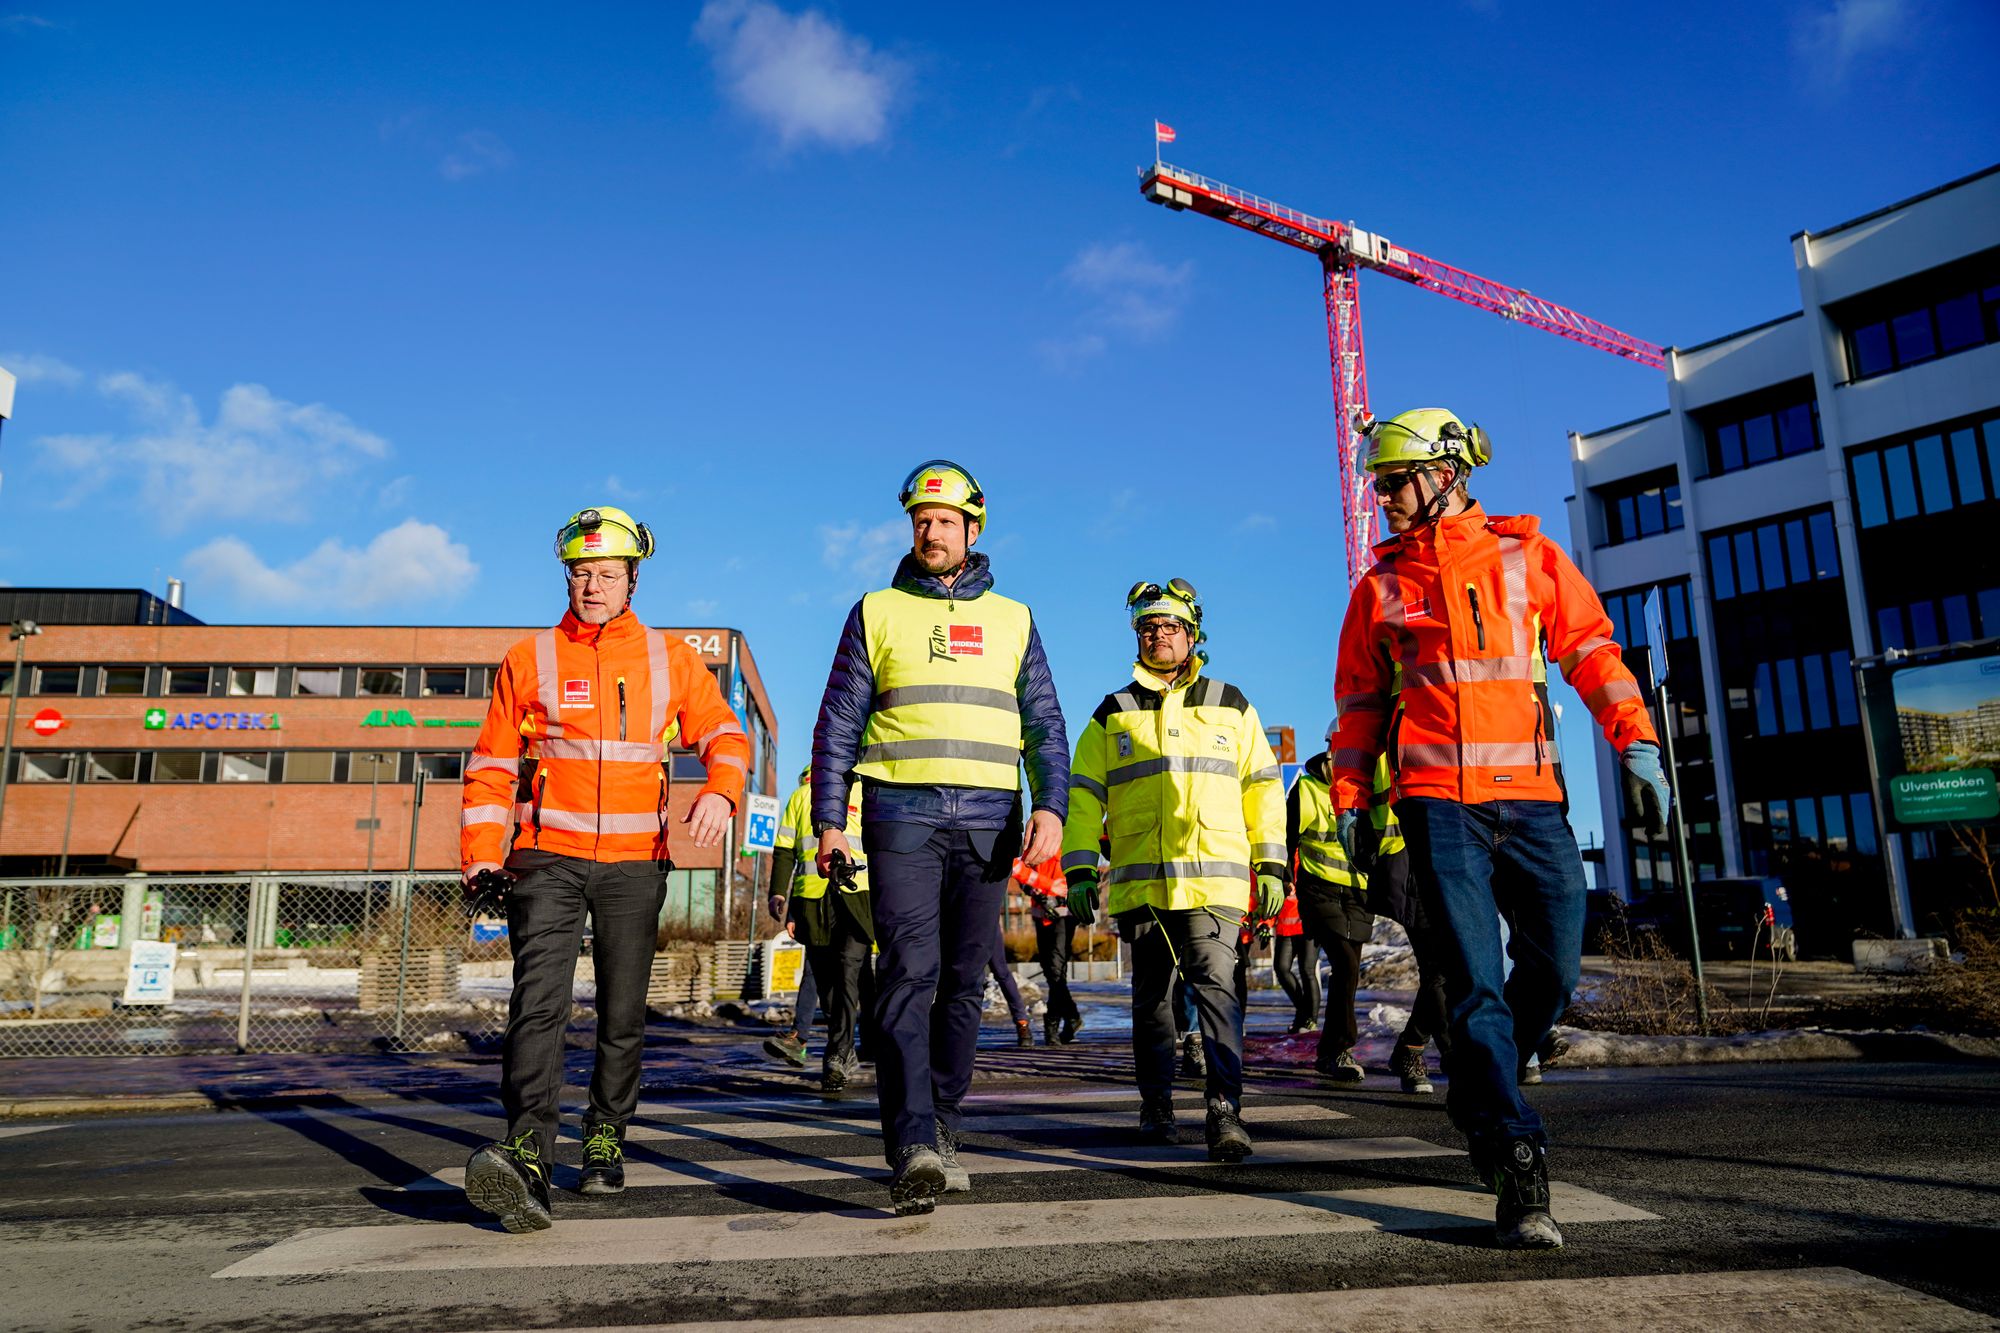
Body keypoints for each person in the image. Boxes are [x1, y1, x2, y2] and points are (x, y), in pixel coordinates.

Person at [1328, 409, 1668, 1250]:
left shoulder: (1529, 559)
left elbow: (1592, 650)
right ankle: (1516, 1164)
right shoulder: (1379, 588)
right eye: (1380, 487)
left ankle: (1484, 1083)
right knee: (1475, 983)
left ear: (1449, 473)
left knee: (1554, 966)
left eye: (1399, 481)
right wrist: (1349, 798)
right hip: (1436, 804)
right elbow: (1360, 705)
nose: (1387, 499)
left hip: (1533, 800)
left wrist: (1639, 741)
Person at [459, 505, 752, 1234]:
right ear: (568, 576)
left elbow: (723, 732)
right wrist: (483, 858)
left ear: (632, 581)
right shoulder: (529, 657)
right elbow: (491, 765)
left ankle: (604, 1132)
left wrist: (721, 788)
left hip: (633, 863)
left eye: (607, 573)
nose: (592, 585)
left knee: (622, 1011)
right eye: (581, 572)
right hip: (547, 857)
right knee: (539, 1004)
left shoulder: (670, 658)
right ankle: (528, 1148)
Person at [811, 460, 1069, 1216]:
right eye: (921, 520)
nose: (931, 531)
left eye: (945, 520)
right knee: (909, 974)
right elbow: (838, 725)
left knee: (963, 982)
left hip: (989, 822)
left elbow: (1044, 724)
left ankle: (945, 1126)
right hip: (903, 819)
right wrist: (832, 817)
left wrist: (1050, 806)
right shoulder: (877, 611)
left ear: (973, 529)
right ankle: (912, 1140)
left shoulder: (1015, 618)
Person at [1062, 579, 1285, 1160]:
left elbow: (1263, 788)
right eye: (1148, 628)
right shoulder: (1113, 713)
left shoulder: (1230, 703)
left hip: (1216, 884)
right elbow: (1082, 794)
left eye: (1169, 627)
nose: (1158, 636)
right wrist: (1081, 866)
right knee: (1153, 1002)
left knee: (1216, 993)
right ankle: (1156, 1107)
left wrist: (1271, 864)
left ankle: (1224, 1112)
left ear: (1192, 635)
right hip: (1143, 886)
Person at [768, 764, 876, 1093]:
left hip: (859, 897)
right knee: (826, 982)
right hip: (812, 900)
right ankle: (844, 1046)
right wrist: (778, 891)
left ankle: (838, 1053)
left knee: (849, 971)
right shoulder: (802, 797)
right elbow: (785, 848)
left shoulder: (867, 791)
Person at [1013, 854, 1082, 1045]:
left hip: (1064, 914)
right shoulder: (1035, 842)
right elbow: (1019, 871)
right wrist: (1042, 889)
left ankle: (1053, 1025)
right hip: (1040, 913)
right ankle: (1071, 1017)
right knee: (1051, 971)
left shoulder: (1068, 842)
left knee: (1055, 971)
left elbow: (1071, 881)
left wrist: (1044, 888)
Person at [1271, 887, 1320, 1035]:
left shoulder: (1307, 865)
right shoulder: (1283, 867)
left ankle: (1311, 1019)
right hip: (1285, 927)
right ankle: (1304, 1013)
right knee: (1281, 968)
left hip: (1309, 926)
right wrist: (1267, 922)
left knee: (1307, 971)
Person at [984, 922, 1034, 1047]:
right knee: (967, 977)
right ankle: (962, 1029)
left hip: (986, 921)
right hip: (960, 924)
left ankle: (1022, 1023)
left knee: (1001, 971)